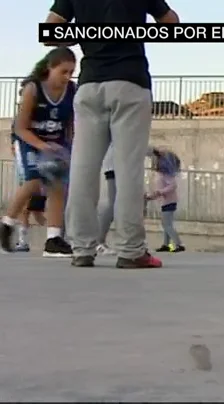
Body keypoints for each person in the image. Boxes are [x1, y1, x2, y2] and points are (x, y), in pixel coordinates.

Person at [45, 0, 180, 268]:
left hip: (90, 85)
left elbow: (51, 32)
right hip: (130, 82)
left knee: (83, 169)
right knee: (127, 169)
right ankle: (130, 250)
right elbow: (172, 24)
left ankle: (82, 248)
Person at [0, 47, 76, 257]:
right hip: (28, 140)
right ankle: (7, 223)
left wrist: (68, 149)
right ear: (50, 68)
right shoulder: (33, 89)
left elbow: (69, 124)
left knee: (58, 186)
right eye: (63, 71)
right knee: (33, 181)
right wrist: (42, 146)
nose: (67, 76)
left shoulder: (72, 90)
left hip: (56, 142)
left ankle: (53, 239)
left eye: (71, 72)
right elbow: (20, 128)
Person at [146, 154, 185, 252]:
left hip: (169, 202)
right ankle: (166, 244)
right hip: (165, 202)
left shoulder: (166, 174)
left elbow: (172, 186)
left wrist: (161, 192)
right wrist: (150, 197)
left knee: (167, 224)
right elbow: (160, 190)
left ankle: (179, 244)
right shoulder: (161, 174)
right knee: (166, 224)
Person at [95, 144, 117, 255]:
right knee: (113, 205)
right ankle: (99, 241)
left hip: (114, 165)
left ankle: (99, 240)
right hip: (115, 165)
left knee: (114, 204)